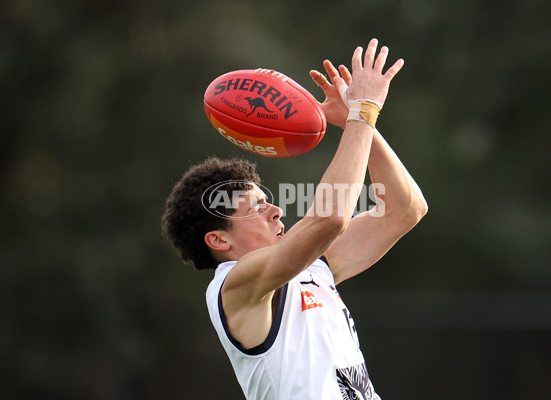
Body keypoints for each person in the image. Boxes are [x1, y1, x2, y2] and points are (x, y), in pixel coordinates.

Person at [161, 39, 428, 400]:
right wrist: (362, 112)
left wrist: (354, 121)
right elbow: (330, 217)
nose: (276, 210)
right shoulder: (234, 286)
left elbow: (404, 210)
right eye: (255, 208)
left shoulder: (313, 268)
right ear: (219, 240)